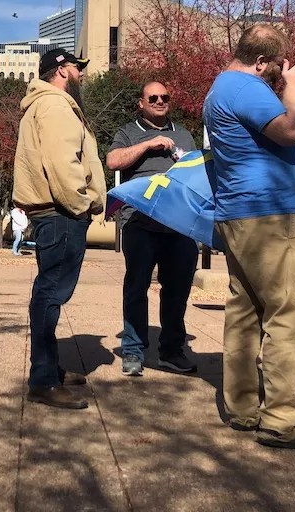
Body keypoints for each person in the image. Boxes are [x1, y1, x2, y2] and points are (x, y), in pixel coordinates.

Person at [203, 23, 295, 451]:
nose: (279, 75)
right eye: (276, 68)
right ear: (260, 61)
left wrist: (289, 92)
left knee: (245, 313)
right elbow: (290, 130)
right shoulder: (245, 87)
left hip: (240, 215)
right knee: (290, 311)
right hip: (270, 217)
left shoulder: (221, 89)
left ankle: (243, 409)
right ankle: (281, 421)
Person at [13, 48, 106, 410]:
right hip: (61, 213)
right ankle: (44, 381)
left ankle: (49, 367)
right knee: (51, 294)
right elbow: (62, 163)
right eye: (78, 68)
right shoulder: (55, 106)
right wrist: (82, 205)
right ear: (62, 70)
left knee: (49, 292)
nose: (82, 74)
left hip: (54, 212)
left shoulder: (44, 105)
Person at [107, 81, 199, 377]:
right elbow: (113, 161)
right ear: (141, 103)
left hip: (179, 224)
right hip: (139, 224)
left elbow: (197, 172)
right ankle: (133, 350)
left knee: (178, 290)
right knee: (136, 287)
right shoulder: (128, 132)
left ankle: (172, 350)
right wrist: (148, 143)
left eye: (165, 97)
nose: (160, 101)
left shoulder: (184, 133)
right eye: (153, 97)